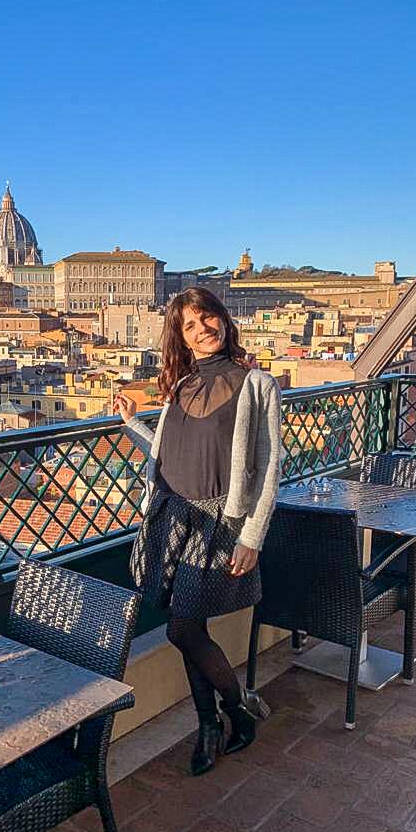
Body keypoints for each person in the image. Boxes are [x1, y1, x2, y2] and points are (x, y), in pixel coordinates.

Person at [114, 287, 281, 776]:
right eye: (189, 325)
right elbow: (170, 454)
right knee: (192, 628)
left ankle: (236, 709)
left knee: (182, 627)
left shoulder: (256, 384)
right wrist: (131, 425)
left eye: (207, 317)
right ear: (181, 338)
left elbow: (269, 467)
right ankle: (210, 723)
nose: (202, 329)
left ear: (224, 321)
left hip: (216, 523)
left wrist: (252, 535)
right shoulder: (181, 386)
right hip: (172, 518)